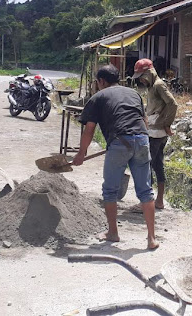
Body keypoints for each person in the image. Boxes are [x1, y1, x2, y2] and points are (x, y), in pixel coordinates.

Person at [73, 64, 159, 250]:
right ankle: (151, 238)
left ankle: (113, 233)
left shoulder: (98, 97)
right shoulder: (134, 94)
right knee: (145, 190)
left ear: (101, 81)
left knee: (110, 191)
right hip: (143, 140)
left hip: (120, 141)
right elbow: (143, 120)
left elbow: (89, 129)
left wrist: (81, 153)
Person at [132, 58, 177, 210]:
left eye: (142, 77)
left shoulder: (158, 85)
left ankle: (147, 202)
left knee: (146, 165)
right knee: (157, 164)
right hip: (154, 131)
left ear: (149, 73)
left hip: (156, 133)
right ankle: (158, 201)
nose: (142, 81)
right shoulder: (152, 87)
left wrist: (166, 124)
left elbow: (172, 103)